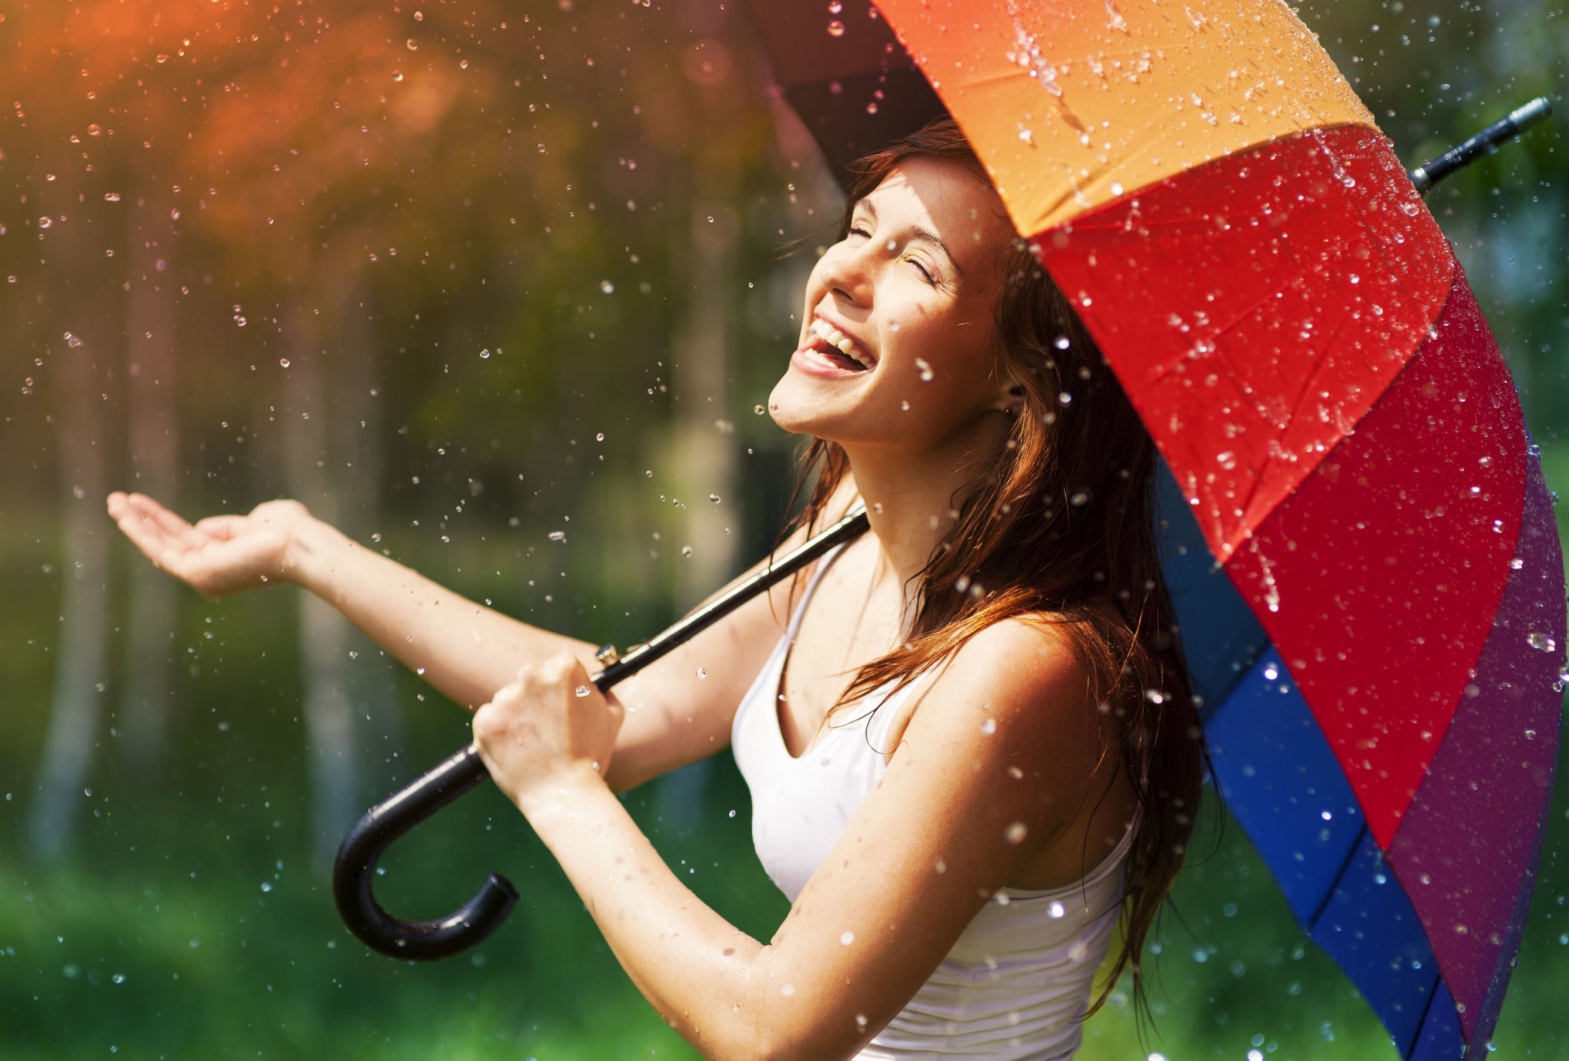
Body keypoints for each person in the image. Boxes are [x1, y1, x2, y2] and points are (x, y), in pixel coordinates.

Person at [109, 118, 1202, 1061]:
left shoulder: (1029, 668)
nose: (843, 276)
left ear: (1022, 376)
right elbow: (621, 713)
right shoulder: (845, 540)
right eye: (857, 228)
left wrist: (560, 793)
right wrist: (312, 552)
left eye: (918, 267)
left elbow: (774, 1029)